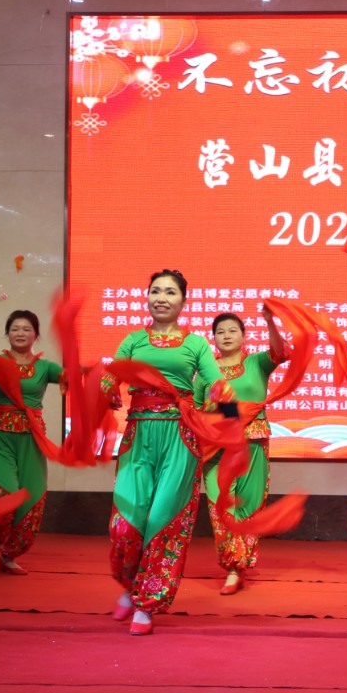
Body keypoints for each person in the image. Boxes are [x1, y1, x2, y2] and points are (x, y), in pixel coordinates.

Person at [104, 269, 229, 636]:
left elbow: (216, 382)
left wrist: (225, 404)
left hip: (180, 436)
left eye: (170, 292)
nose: (161, 297)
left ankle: (147, 603)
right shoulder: (132, 340)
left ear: (183, 301)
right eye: (155, 291)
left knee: (163, 520)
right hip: (139, 435)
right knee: (125, 525)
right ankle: (131, 585)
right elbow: (112, 376)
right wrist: (101, 388)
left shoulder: (196, 345)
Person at [195, 310, 289, 596]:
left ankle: (239, 566)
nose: (226, 336)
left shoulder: (257, 363)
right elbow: (195, 411)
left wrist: (270, 321)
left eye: (232, 330)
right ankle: (233, 566)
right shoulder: (205, 372)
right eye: (220, 331)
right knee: (221, 507)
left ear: (244, 335)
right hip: (217, 448)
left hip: (252, 442)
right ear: (213, 338)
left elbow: (281, 352)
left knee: (248, 507)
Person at [0, 310, 63, 576]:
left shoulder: (45, 367)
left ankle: (9, 554)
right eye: (15, 329)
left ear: (36, 335)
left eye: (26, 329)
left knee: (32, 500)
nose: (20, 333)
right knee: (5, 495)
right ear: (8, 333)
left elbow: (70, 378)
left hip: (32, 437)